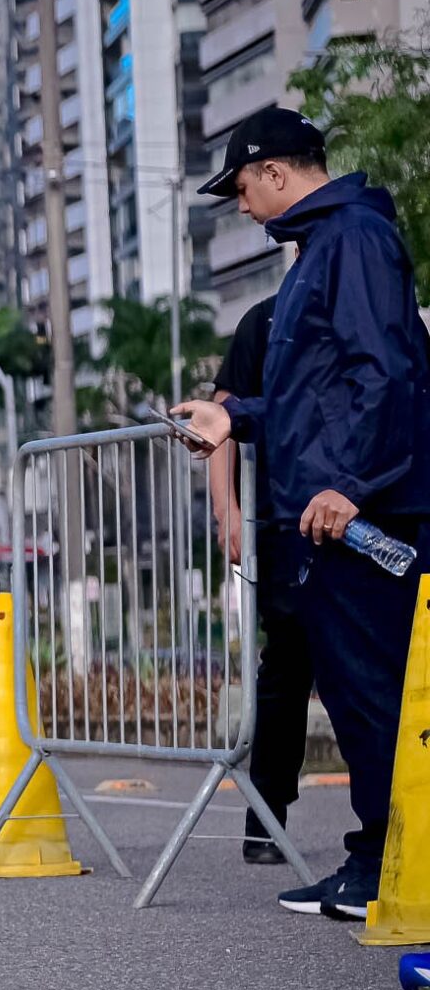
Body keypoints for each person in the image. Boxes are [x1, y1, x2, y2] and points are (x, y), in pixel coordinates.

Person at [173, 106, 430, 920]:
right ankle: (378, 856)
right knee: (359, 699)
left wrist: (349, 481)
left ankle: (397, 864)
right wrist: (234, 418)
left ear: (277, 172)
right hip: (330, 518)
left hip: (358, 516)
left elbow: (385, 372)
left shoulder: (351, 239)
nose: (242, 206)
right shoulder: (322, 248)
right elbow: (311, 393)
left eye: (243, 187)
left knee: (377, 697)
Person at [207, 290, 310, 868]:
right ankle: (266, 820)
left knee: (381, 678)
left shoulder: (375, 299)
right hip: (281, 522)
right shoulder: (263, 320)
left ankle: (392, 828)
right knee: (287, 671)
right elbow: (222, 418)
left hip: (369, 523)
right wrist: (229, 514)